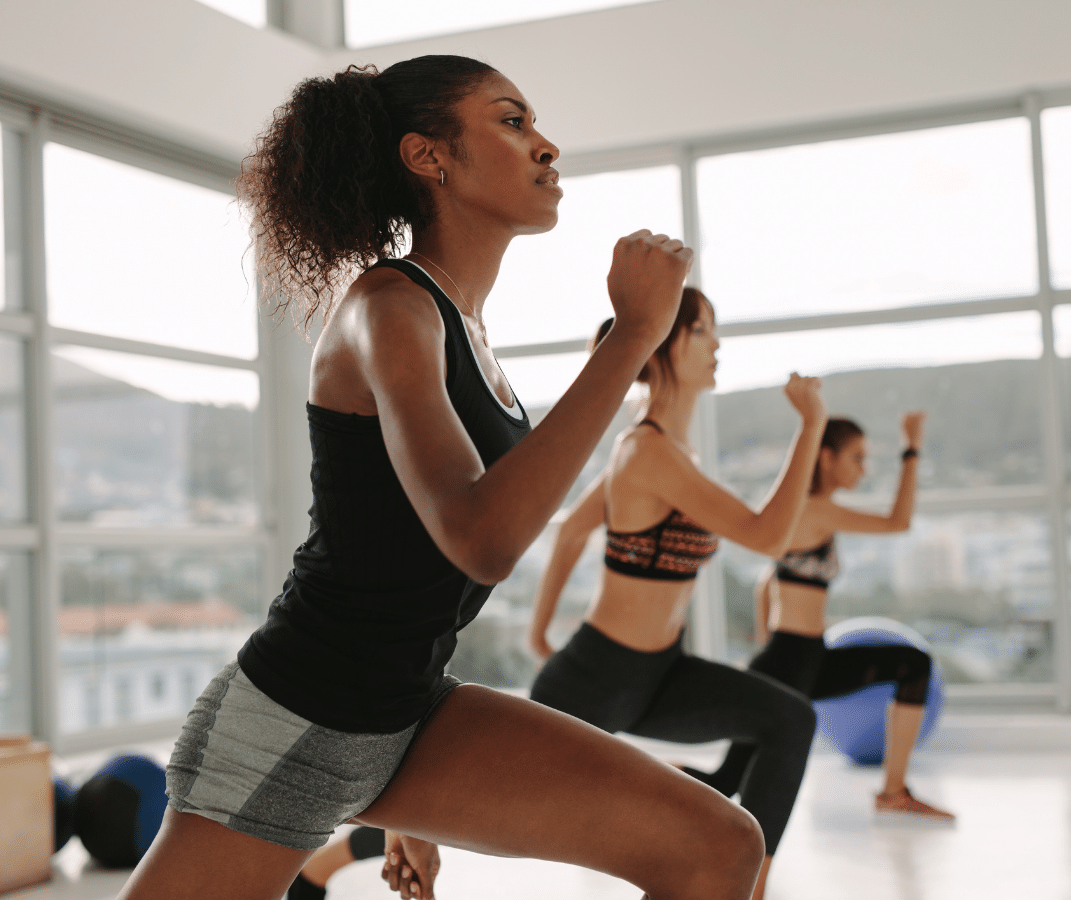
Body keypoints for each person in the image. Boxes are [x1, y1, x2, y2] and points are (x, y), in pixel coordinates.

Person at [117, 56, 771, 900]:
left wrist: (411, 805)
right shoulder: (388, 309)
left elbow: (413, 563)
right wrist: (632, 337)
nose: (545, 146)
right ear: (430, 157)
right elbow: (480, 536)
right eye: (511, 122)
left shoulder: (463, 323)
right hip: (292, 721)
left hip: (405, 711)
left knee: (717, 845)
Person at [527, 290, 828, 900]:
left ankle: (748, 888)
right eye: (702, 331)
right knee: (479, 810)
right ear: (666, 341)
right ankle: (325, 866)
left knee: (788, 720)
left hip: (658, 676)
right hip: (596, 678)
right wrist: (812, 427)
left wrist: (540, 629)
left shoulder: (666, 454)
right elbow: (769, 536)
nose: (717, 344)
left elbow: (577, 530)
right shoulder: (647, 452)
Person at [684, 412, 956, 821]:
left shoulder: (812, 513)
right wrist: (911, 448)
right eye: (857, 458)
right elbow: (898, 522)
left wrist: (767, 645)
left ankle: (893, 791)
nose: (863, 469)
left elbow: (766, 582)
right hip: (790, 661)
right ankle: (633, 781)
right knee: (724, 783)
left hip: (804, 657)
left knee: (913, 666)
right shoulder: (814, 510)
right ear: (826, 457)